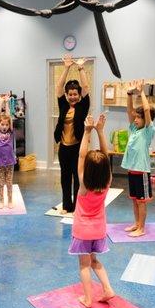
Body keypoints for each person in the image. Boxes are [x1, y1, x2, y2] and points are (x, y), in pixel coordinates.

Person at [68, 113, 116, 308]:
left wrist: (87, 132)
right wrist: (100, 131)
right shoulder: (107, 182)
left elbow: (81, 155)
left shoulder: (83, 184)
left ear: (86, 170)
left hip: (83, 231)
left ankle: (88, 299)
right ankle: (108, 289)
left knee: (84, 265)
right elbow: (105, 156)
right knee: (95, 261)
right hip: (99, 231)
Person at [54, 54, 90, 214]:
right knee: (65, 177)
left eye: (76, 94)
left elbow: (86, 87)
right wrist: (67, 67)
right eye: (71, 94)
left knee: (78, 177)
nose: (73, 96)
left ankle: (77, 207)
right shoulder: (63, 105)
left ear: (79, 95)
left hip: (77, 148)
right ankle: (66, 206)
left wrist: (81, 68)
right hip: (64, 147)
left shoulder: (82, 106)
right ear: (67, 95)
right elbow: (58, 88)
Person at [121, 79, 155, 237]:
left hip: (142, 171)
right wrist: (129, 93)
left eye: (138, 118)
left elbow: (147, 110)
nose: (135, 119)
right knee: (135, 200)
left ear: (146, 120)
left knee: (141, 201)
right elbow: (129, 111)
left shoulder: (148, 131)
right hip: (132, 170)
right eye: (135, 118)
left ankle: (141, 228)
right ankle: (136, 224)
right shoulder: (135, 129)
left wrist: (141, 92)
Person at [0, 94, 16, 209]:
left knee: (9, 183)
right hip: (0, 163)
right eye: (2, 124)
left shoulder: (11, 132)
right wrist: (0, 103)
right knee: (1, 183)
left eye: (6, 125)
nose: (5, 126)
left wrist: (7, 103)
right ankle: (1, 201)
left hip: (10, 162)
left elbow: (9, 117)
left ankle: (10, 200)